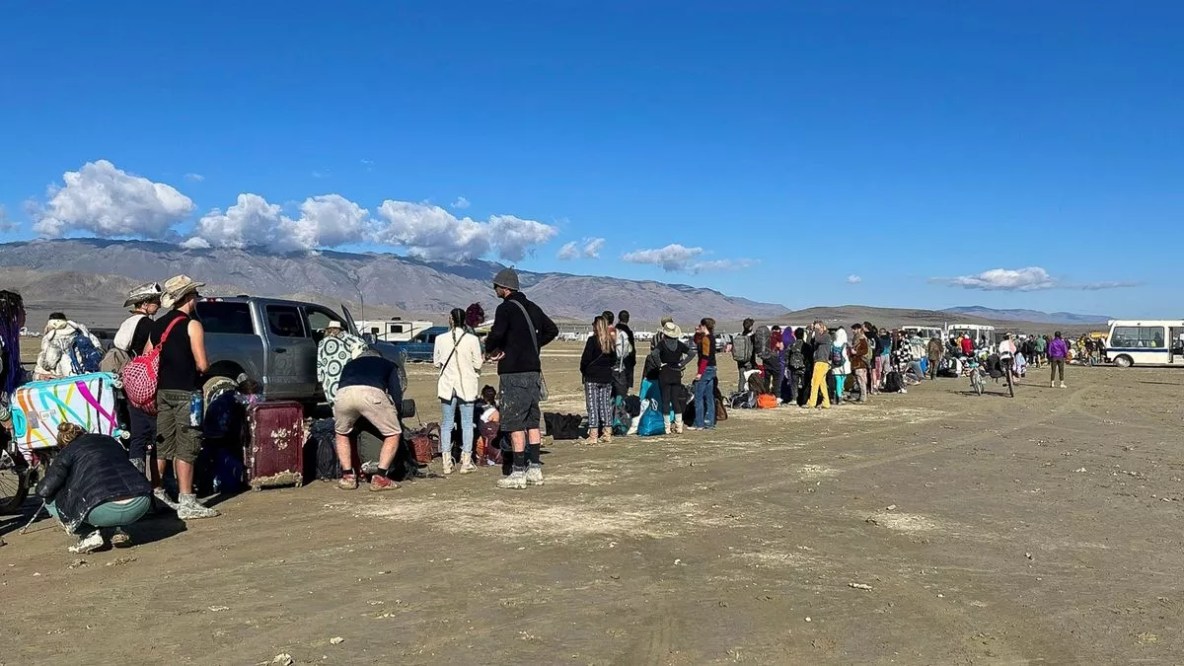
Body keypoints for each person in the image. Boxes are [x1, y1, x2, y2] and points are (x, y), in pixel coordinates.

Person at [484, 268, 558, 490]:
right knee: (532, 421)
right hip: (533, 372)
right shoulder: (532, 307)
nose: (495, 290)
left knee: (515, 422)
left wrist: (491, 349)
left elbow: (497, 334)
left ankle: (517, 473)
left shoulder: (505, 308)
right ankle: (534, 469)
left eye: (496, 286)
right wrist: (531, 347)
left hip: (514, 373)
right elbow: (552, 330)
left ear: (505, 288)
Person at [150, 276, 218, 520]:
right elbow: (202, 364)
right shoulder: (192, 325)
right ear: (189, 298)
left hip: (161, 392)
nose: (197, 299)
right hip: (187, 393)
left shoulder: (157, 325)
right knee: (187, 444)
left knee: (162, 445)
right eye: (195, 295)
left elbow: (149, 356)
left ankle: (157, 494)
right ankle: (186, 500)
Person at [36, 423, 153, 554]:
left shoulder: (67, 451)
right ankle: (119, 530)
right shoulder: (110, 440)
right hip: (141, 500)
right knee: (115, 481)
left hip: (102, 509)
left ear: (62, 443)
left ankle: (88, 534)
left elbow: (45, 490)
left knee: (50, 498)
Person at [334, 350, 404, 490]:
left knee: (341, 433)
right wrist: (397, 412)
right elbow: (396, 392)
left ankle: (348, 476)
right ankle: (380, 478)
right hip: (370, 394)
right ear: (378, 356)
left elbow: (341, 385)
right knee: (393, 433)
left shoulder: (349, 364)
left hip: (343, 395)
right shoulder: (387, 364)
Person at [115, 283, 163, 476]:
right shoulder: (149, 326)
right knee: (157, 435)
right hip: (148, 384)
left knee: (137, 436)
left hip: (129, 383)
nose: (159, 305)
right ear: (144, 304)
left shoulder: (126, 324)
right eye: (156, 301)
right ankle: (159, 482)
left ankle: (136, 479)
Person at [434, 307, 484, 474]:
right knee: (467, 424)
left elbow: (436, 362)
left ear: (451, 319)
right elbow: (478, 363)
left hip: (447, 385)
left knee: (447, 424)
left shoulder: (440, 339)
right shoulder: (472, 340)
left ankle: (446, 463)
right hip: (466, 386)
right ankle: (466, 461)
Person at [580, 315, 618, 444]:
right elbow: (614, 359)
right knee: (605, 405)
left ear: (596, 326)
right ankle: (607, 433)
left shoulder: (592, 341)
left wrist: (584, 371)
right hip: (606, 377)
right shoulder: (610, 341)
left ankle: (593, 435)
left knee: (592, 406)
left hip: (592, 377)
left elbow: (585, 359)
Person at [34, 312, 103, 380]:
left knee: (60, 359)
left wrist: (40, 371)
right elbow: (98, 347)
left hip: (69, 375)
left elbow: (50, 362)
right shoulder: (82, 331)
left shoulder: (53, 338)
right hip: (91, 370)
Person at [654, 321, 694, 434]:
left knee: (666, 401)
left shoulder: (662, 344)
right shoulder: (679, 344)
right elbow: (692, 354)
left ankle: (667, 428)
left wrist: (659, 364)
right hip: (676, 373)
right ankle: (679, 426)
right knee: (676, 401)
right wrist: (681, 364)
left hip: (665, 373)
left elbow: (654, 354)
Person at [317, 320, 369, 404]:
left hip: (328, 376)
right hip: (344, 373)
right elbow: (363, 344)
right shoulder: (348, 338)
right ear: (340, 329)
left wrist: (320, 376)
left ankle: (335, 409)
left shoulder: (322, 343)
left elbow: (319, 361)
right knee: (346, 395)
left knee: (332, 396)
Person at [691, 318, 718, 429]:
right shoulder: (711, 337)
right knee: (709, 396)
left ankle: (699, 423)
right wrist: (697, 333)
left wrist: (700, 372)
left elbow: (705, 357)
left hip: (706, 368)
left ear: (704, 326)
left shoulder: (706, 339)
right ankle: (709, 422)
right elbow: (696, 341)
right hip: (712, 368)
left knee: (698, 396)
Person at [806, 321, 832, 410]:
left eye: (820, 328)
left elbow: (818, 340)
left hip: (822, 362)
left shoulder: (826, 336)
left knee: (814, 382)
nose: (818, 330)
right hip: (818, 362)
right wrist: (811, 331)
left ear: (823, 327)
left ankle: (812, 402)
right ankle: (826, 402)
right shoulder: (819, 337)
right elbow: (808, 342)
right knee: (822, 384)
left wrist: (816, 329)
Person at [732, 318, 756, 392]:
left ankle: (740, 392)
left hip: (740, 361)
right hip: (750, 361)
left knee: (742, 378)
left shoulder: (740, 336)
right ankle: (750, 394)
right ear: (751, 327)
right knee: (751, 378)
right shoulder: (752, 337)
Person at [616, 310, 637, 391]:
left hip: (614, 363)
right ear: (628, 319)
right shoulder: (629, 332)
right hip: (626, 363)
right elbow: (631, 350)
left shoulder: (614, 331)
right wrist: (632, 361)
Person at [849, 324, 871, 402]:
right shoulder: (858, 338)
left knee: (861, 380)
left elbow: (865, 350)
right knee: (860, 380)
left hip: (860, 362)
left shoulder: (861, 338)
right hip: (858, 362)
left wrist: (856, 352)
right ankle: (861, 396)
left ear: (858, 329)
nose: (853, 331)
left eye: (854, 329)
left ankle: (863, 397)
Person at [830, 327, 851, 403]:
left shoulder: (833, 343)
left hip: (835, 364)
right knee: (841, 379)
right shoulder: (844, 344)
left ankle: (836, 396)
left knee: (837, 380)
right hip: (843, 364)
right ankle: (840, 396)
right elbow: (845, 355)